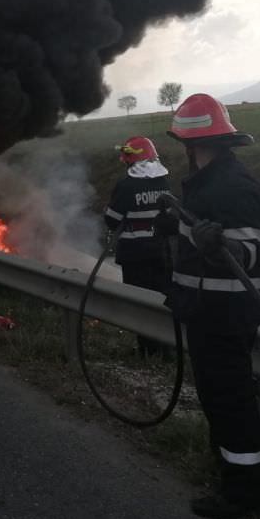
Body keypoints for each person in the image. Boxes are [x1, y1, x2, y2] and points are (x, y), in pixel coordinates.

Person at [158, 94, 260, 519]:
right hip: (206, 309)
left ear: (194, 144)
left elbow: (249, 254)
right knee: (218, 398)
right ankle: (228, 471)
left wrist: (219, 244)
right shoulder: (208, 184)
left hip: (225, 313)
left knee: (230, 400)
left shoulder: (234, 189)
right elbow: (198, 243)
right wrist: (177, 228)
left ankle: (245, 492)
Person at [103, 136, 172, 357]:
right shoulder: (163, 182)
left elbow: (112, 220)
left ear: (130, 161)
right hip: (162, 252)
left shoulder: (127, 185)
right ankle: (167, 349)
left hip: (135, 256)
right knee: (163, 301)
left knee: (141, 303)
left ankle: (147, 351)